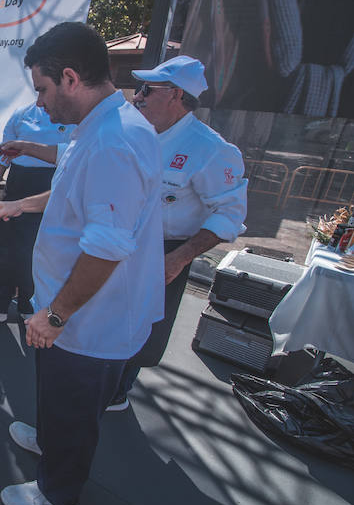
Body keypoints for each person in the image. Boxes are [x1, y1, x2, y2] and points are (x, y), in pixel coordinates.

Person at [0, 22, 164, 505]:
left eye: (42, 89)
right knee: (58, 399)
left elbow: (106, 249)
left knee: (75, 406)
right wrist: (21, 205)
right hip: (67, 307)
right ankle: (49, 440)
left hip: (89, 319)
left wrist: (56, 316)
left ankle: (57, 492)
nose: (39, 103)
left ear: (69, 77)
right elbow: (71, 191)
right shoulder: (99, 128)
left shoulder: (114, 141)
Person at [104, 56, 248, 411]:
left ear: (175, 95)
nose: (137, 96)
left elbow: (230, 213)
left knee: (140, 329)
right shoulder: (134, 131)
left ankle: (116, 391)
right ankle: (100, 378)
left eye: (147, 90)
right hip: (119, 239)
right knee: (105, 319)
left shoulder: (212, 149)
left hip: (164, 250)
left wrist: (179, 258)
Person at [0, 103, 74, 322]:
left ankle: (29, 306)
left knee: (36, 252)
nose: (42, 99)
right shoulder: (21, 115)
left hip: (51, 184)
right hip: (19, 181)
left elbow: (72, 159)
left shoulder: (71, 115)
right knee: (5, 248)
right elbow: (2, 157)